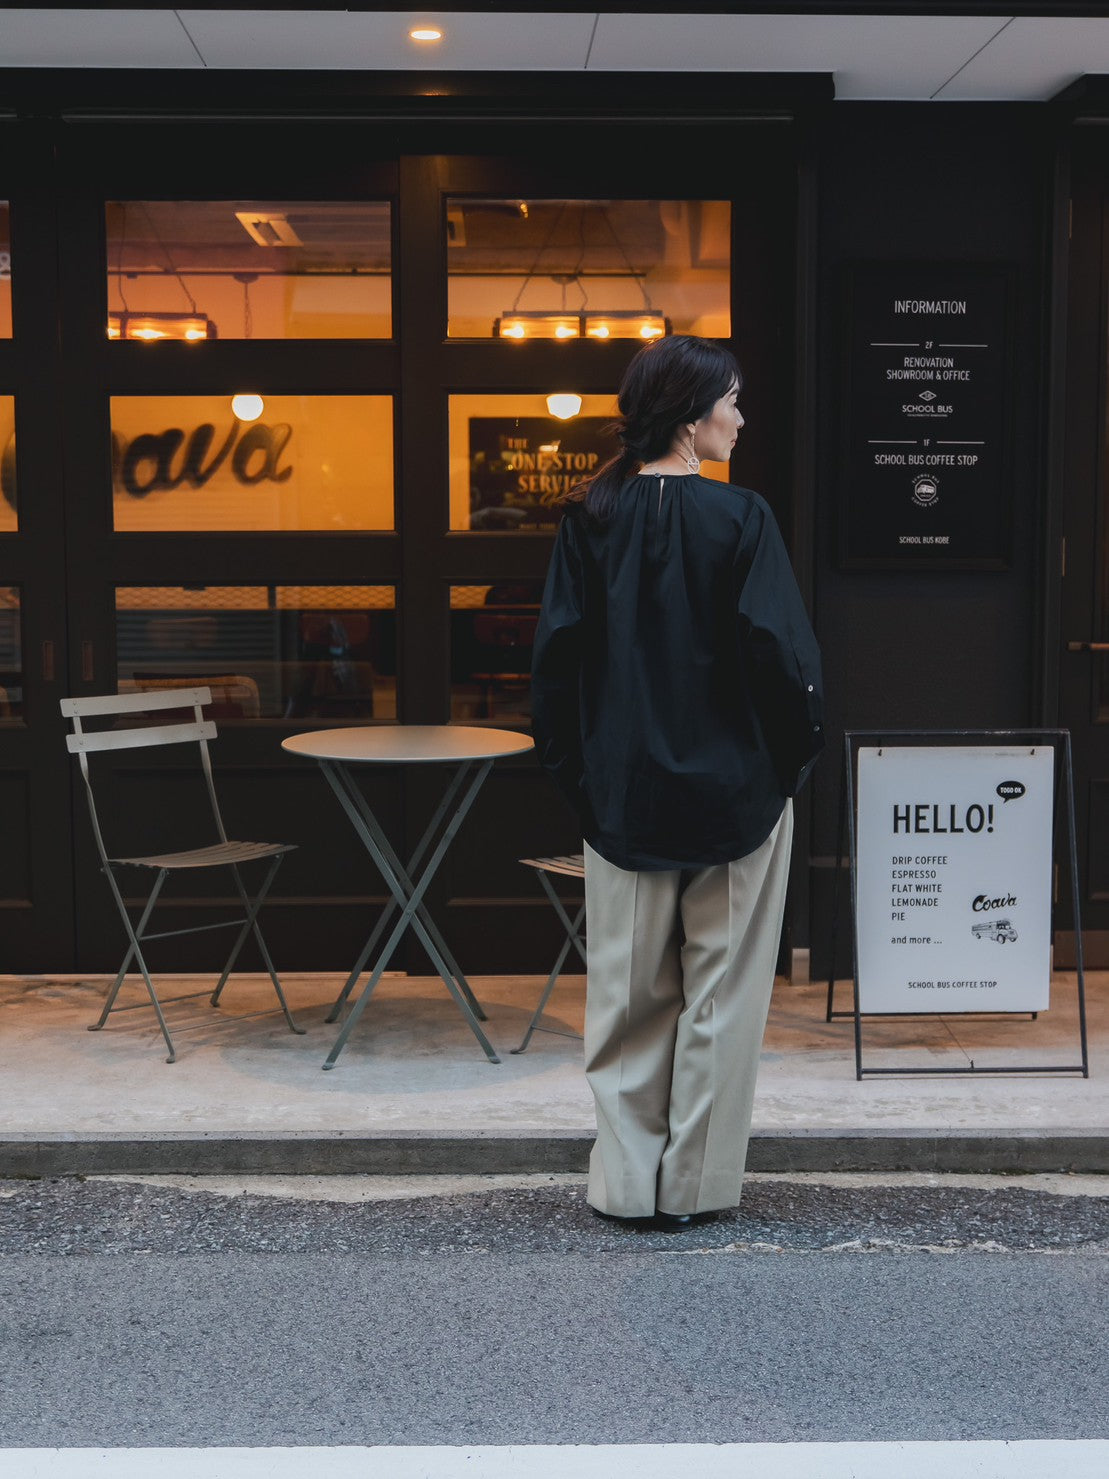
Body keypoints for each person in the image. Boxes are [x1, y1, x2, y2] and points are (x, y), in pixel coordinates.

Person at [530, 334, 824, 1231]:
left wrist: (579, 778)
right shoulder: (742, 520)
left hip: (621, 798)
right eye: (731, 400)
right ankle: (694, 1187)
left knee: (625, 1001)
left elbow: (555, 664)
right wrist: (788, 765)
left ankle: (624, 1185)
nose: (741, 416)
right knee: (720, 1001)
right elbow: (784, 661)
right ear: (694, 416)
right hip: (736, 798)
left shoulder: (590, 516)